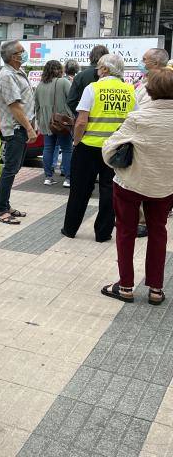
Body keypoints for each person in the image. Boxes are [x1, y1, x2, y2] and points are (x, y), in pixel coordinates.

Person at [102, 68, 173, 305]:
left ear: (150, 90)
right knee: (158, 232)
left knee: (125, 232)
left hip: (130, 184)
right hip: (164, 185)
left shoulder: (138, 119)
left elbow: (109, 149)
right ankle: (155, 289)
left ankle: (125, 286)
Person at [62, 54, 136, 242]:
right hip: (115, 149)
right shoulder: (129, 90)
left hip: (89, 147)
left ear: (104, 69)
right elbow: (133, 120)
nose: (97, 71)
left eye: (98, 68)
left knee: (79, 190)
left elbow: (81, 122)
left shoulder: (93, 88)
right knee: (110, 190)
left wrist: (76, 142)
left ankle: (70, 229)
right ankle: (103, 233)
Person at [0, 40, 35, 225]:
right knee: (10, 169)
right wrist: (29, 128)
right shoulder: (7, 76)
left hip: (20, 129)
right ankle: (0, 209)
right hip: (15, 129)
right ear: (12, 56)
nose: (24, 53)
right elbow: (15, 106)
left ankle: (5, 204)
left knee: (13, 168)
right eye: (21, 51)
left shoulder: (17, 72)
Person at [131, 48, 170, 238]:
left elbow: (146, 114)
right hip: (147, 141)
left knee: (149, 183)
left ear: (155, 63)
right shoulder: (145, 82)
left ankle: (144, 222)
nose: (142, 62)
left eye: (144, 59)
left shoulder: (159, 84)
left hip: (151, 141)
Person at [34, 60, 73, 187]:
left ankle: (48, 177)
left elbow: (37, 106)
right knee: (67, 149)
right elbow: (72, 99)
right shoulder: (63, 82)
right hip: (61, 122)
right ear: (59, 70)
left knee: (48, 148)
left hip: (46, 122)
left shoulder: (40, 85)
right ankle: (68, 179)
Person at [67, 45, 109, 114]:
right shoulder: (113, 76)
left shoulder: (80, 76)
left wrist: (81, 113)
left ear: (90, 57)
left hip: (84, 120)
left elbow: (71, 101)